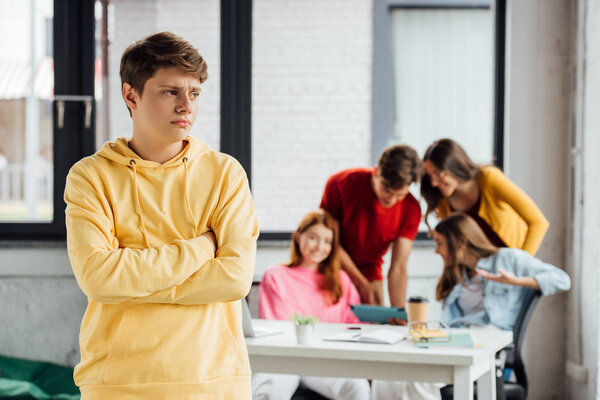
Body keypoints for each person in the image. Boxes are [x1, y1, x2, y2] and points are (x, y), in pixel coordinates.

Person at [64, 32, 258, 399]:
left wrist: (133, 284)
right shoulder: (91, 177)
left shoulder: (225, 174)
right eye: (171, 92)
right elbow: (99, 279)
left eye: (195, 93)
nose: (186, 106)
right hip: (117, 384)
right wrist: (202, 249)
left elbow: (234, 280)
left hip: (215, 382)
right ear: (130, 95)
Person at [371, 213, 570, 400]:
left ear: (460, 242)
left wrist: (517, 281)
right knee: (390, 377)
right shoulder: (458, 274)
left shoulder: (508, 259)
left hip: (486, 342)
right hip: (456, 339)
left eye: (440, 243)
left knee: (424, 379)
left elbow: (562, 279)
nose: (436, 250)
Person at [252, 210, 370, 400]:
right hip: (285, 360)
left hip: (326, 361)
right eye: (313, 238)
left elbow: (355, 324)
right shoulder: (275, 275)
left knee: (357, 387)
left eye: (327, 241)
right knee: (268, 392)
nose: (320, 247)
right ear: (298, 237)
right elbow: (276, 326)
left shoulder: (341, 279)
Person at [320, 145, 422, 307]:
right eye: (386, 190)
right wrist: (361, 283)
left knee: (377, 322)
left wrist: (398, 312)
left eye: (400, 195)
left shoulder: (412, 208)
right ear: (377, 171)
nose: (392, 200)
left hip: (371, 271)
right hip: (330, 264)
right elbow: (329, 242)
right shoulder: (341, 184)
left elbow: (398, 267)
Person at [421, 138, 549, 256]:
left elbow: (538, 223)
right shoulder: (443, 200)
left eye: (438, 174)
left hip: (512, 263)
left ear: (454, 166)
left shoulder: (489, 179)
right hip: (479, 271)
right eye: (430, 176)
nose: (433, 183)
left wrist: (521, 265)